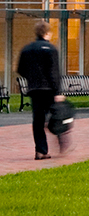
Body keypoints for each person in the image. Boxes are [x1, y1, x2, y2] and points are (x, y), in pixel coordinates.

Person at [17, 21, 64, 160]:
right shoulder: (51, 49)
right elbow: (54, 72)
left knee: (37, 120)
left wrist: (32, 78)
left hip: (35, 89)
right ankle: (62, 143)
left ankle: (41, 150)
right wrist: (57, 92)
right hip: (49, 89)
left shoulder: (27, 49)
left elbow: (20, 69)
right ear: (47, 33)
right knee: (57, 116)